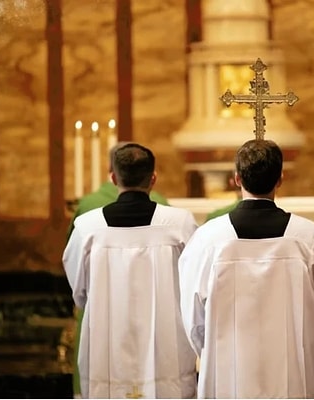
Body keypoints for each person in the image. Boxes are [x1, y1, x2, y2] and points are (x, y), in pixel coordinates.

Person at [178, 139, 314, 399]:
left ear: (237, 179)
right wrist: (295, 321)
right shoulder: (306, 236)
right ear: (280, 179)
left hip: (228, 371)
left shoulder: (209, 239)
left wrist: (215, 348)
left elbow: (192, 314)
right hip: (293, 370)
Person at [63, 142, 198, 398]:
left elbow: (79, 290)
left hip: (108, 342)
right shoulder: (180, 224)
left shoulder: (87, 228)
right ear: (153, 179)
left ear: (113, 178)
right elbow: (196, 281)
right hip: (166, 344)